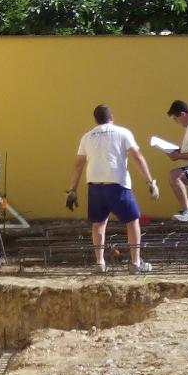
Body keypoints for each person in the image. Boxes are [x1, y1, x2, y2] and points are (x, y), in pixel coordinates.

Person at [66, 104, 159, 274]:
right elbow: (137, 157)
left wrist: (71, 190)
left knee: (98, 224)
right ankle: (135, 263)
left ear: (95, 120)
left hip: (95, 187)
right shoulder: (123, 133)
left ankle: (100, 264)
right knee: (132, 222)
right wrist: (150, 182)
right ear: (112, 117)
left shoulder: (87, 137)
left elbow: (79, 164)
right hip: (117, 185)